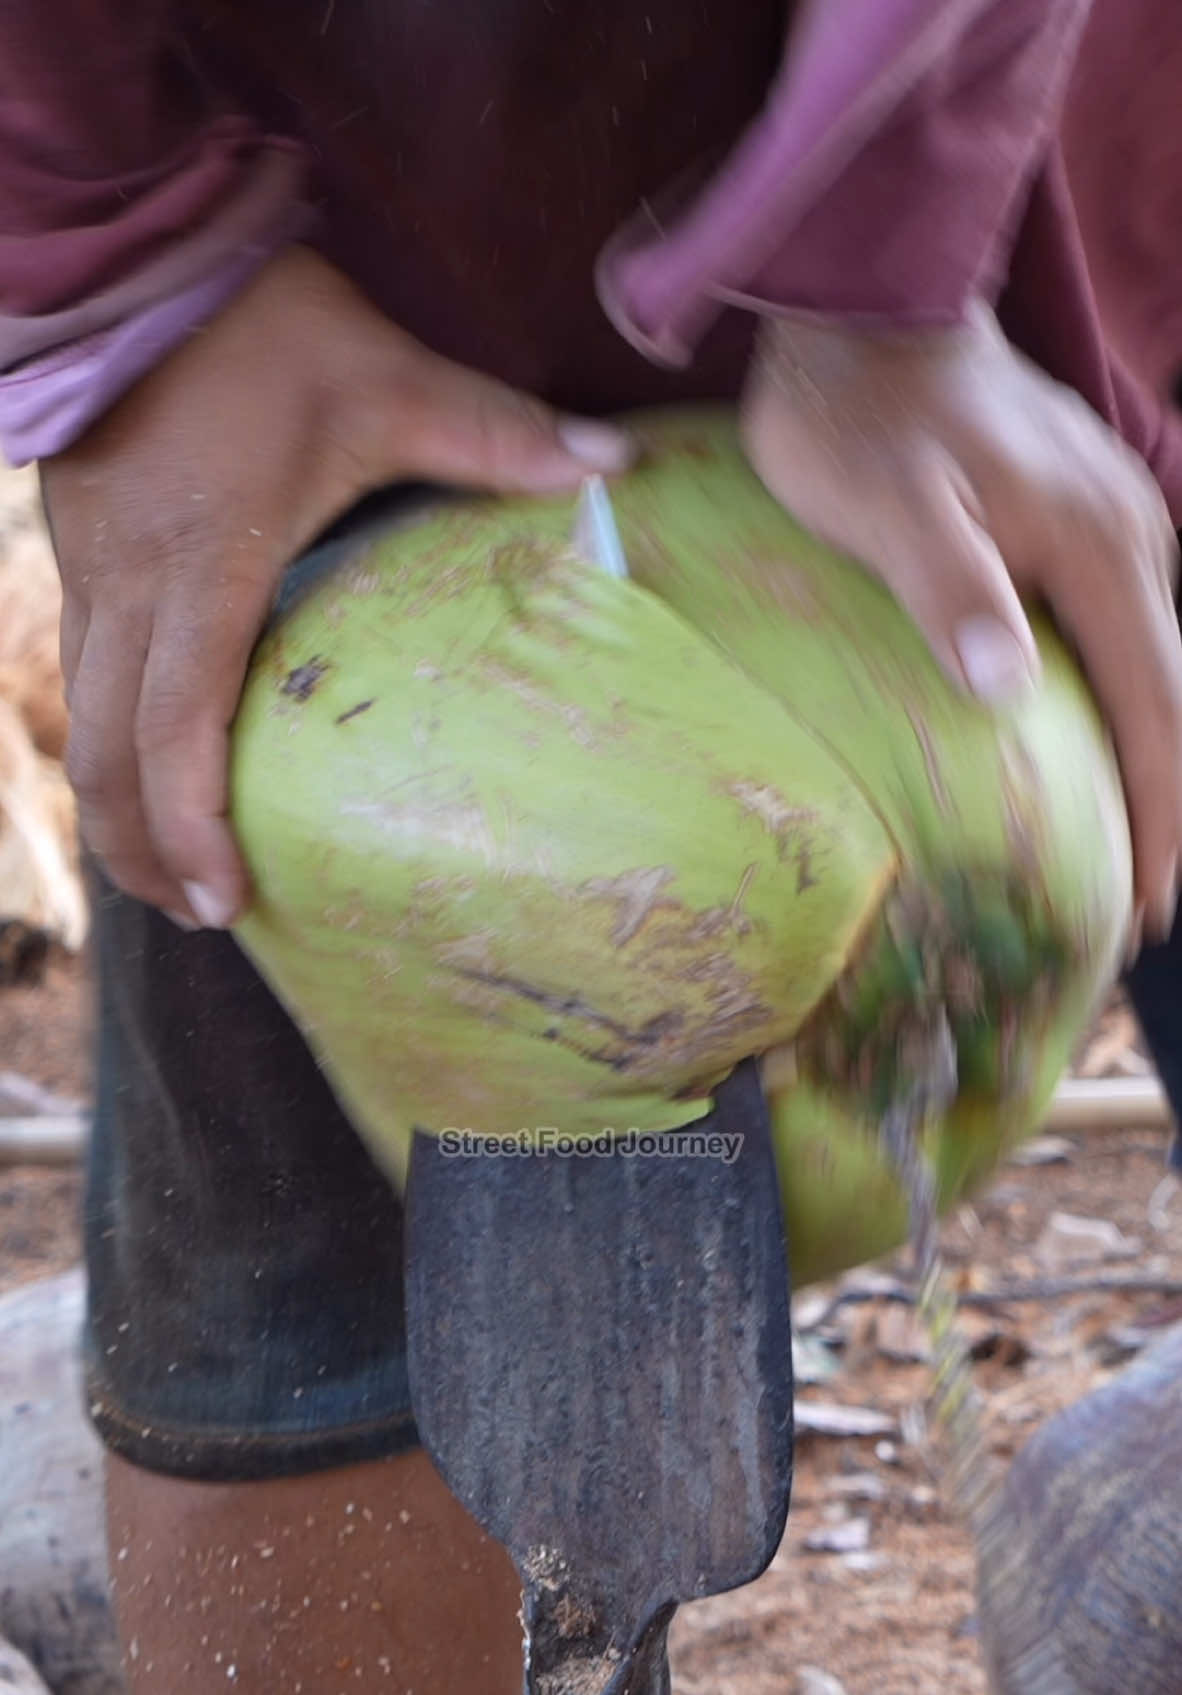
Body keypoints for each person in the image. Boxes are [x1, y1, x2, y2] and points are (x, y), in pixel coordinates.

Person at [2, 1, 1181, 1689]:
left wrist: (886, 254)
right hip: (317, 296)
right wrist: (133, 269)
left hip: (1015, 243)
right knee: (315, 1299)